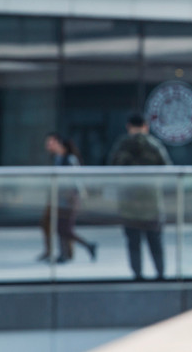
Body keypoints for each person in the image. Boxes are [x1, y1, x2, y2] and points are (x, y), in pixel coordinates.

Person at [108, 113, 172, 280]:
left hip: (129, 205)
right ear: (146, 126)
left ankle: (138, 276)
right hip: (152, 204)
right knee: (156, 243)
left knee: (133, 244)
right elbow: (167, 170)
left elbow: (111, 170)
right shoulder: (154, 145)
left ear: (129, 127)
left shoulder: (122, 145)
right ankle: (160, 274)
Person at [38, 133, 98, 264]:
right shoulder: (57, 158)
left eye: (53, 143)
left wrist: (76, 196)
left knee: (65, 228)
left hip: (69, 199)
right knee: (60, 227)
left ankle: (87, 246)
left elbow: (76, 180)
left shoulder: (69, 159)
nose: (50, 146)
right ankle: (65, 254)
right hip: (59, 198)